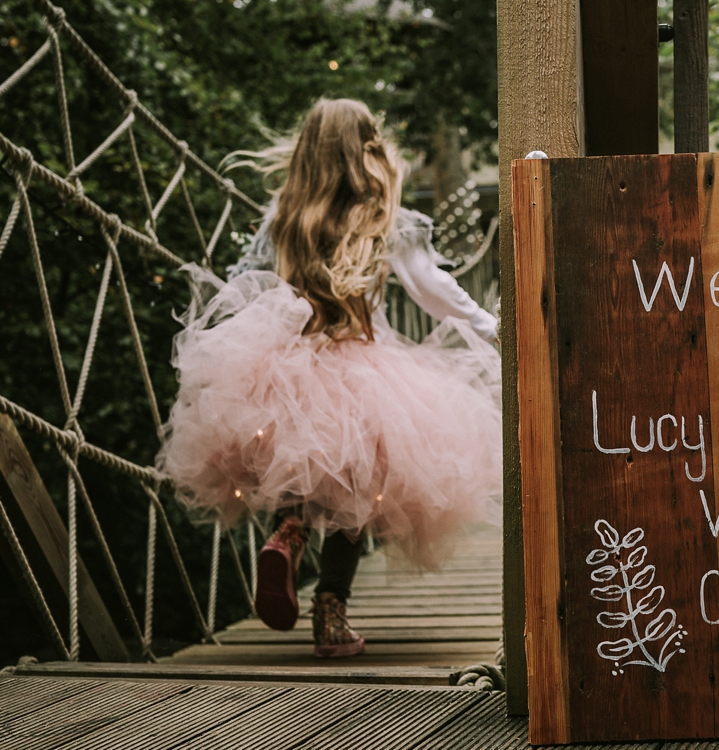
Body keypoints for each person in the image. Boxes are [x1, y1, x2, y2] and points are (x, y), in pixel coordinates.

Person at [156, 99, 502, 658]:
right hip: (366, 368)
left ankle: (288, 533)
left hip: (287, 359)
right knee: (358, 490)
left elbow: (246, 286)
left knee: (297, 451)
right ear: (365, 147)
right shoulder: (384, 219)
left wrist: (230, 351)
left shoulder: (284, 217)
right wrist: (489, 326)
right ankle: (332, 615)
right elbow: (432, 289)